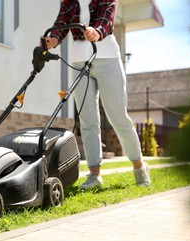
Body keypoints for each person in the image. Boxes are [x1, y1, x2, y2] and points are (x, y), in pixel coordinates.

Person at [43, 0, 151, 188]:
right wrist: (53, 38)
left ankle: (139, 166)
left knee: (118, 117)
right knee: (88, 120)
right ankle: (94, 175)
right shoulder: (68, 2)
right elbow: (61, 23)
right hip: (78, 63)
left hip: (107, 60)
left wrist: (97, 31)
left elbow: (106, 20)